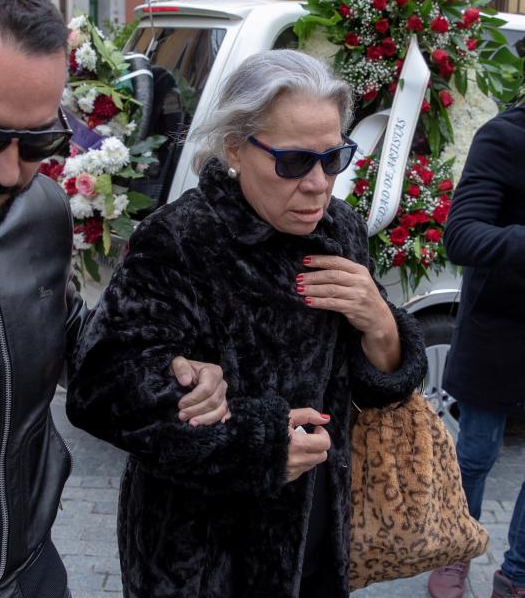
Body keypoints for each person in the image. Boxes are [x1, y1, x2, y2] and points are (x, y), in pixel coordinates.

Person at [0, 0, 228, 598]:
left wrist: (166, 368)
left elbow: (59, 332)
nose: (9, 173)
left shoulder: (40, 210)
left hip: (35, 575)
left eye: (39, 140)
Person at [66, 50, 427, 598]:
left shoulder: (343, 230)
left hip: (317, 539)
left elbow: (367, 385)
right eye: (293, 162)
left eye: (334, 158)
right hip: (205, 558)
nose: (317, 184)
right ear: (235, 146)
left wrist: (382, 326)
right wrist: (255, 444)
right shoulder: (181, 239)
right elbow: (100, 386)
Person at [427, 104, 525, 598]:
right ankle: (454, 551)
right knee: (476, 454)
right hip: (500, 328)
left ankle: (518, 572)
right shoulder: (505, 136)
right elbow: (460, 236)